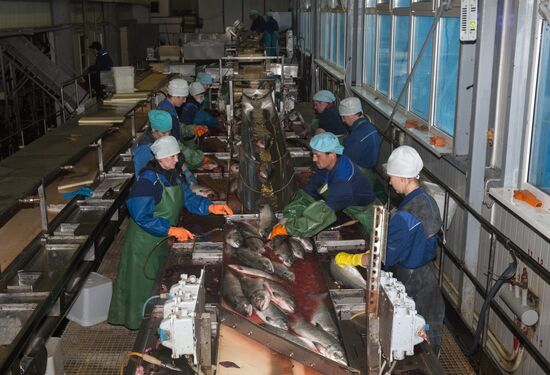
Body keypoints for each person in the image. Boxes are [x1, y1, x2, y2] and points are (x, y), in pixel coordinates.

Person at [108, 136, 233, 330]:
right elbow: (141, 215)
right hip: (143, 240)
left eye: (177, 155)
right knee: (139, 284)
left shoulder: (172, 173)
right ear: (161, 157)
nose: (177, 160)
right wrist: (169, 229)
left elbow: (188, 198)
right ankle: (138, 324)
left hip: (161, 238)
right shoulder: (147, 181)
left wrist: (210, 207)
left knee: (156, 281)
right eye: (173, 156)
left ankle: (157, 320)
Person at [334, 146, 445, 355]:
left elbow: (381, 257)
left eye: (392, 177)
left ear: (404, 178)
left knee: (414, 335)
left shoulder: (406, 217)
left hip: (412, 284)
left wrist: (354, 258)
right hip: (428, 277)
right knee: (427, 330)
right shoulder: (427, 200)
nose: (390, 182)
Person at [269, 132, 375, 239]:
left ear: (332, 155)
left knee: (366, 239)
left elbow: (320, 217)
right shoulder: (328, 165)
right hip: (343, 206)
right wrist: (290, 214)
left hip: (362, 214)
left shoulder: (343, 183)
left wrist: (288, 229)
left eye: (318, 155)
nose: (314, 159)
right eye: (313, 154)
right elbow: (310, 192)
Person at [133, 110, 197, 185]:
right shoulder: (144, 149)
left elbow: (176, 157)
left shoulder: (163, 140)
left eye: (169, 132)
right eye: (163, 133)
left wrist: (186, 171)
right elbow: (143, 180)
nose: (167, 136)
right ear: (154, 130)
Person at [157, 78, 205, 170]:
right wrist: (197, 158)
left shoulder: (166, 106)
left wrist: (193, 129)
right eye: (183, 98)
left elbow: (178, 127)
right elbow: (175, 145)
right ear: (175, 96)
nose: (184, 101)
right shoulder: (168, 112)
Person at [339, 97, 381, 187]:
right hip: (370, 174)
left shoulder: (356, 137)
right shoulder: (371, 128)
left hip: (358, 178)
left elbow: (346, 163)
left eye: (344, 117)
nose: (343, 120)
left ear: (351, 115)